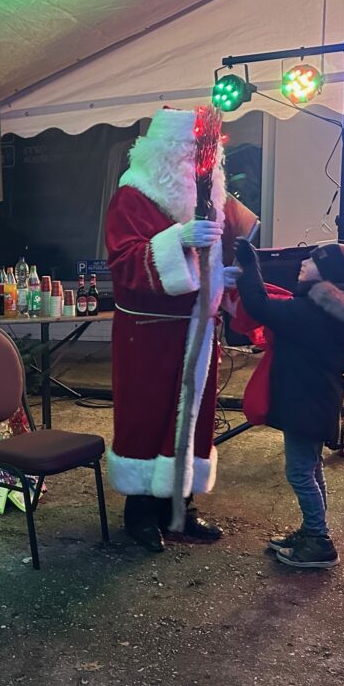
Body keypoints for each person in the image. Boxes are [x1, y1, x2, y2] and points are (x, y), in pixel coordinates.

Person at [104, 107, 257, 552]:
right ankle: (141, 514)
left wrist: (224, 278)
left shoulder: (212, 196)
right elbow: (125, 263)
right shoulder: (132, 197)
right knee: (147, 417)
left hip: (198, 329)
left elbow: (226, 251)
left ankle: (181, 508)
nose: (200, 166)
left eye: (206, 157)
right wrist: (178, 241)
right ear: (168, 153)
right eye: (193, 156)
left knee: (193, 419)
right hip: (150, 335)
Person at [229, 238, 344, 568]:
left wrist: (249, 264)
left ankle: (319, 540)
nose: (303, 264)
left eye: (311, 262)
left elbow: (259, 305)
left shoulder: (312, 311)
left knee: (300, 472)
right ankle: (312, 531)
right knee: (311, 467)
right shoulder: (335, 310)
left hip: (304, 402)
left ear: (326, 274)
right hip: (317, 399)